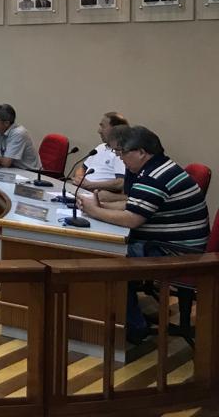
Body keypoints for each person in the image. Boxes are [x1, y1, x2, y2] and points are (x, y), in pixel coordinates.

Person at [78, 125, 210, 343]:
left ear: (141, 152)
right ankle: (128, 317)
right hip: (170, 243)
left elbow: (132, 219)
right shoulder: (157, 168)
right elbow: (134, 205)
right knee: (108, 249)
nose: (120, 159)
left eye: (122, 153)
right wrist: (101, 206)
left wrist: (95, 211)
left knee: (107, 256)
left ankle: (133, 326)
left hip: (176, 252)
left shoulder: (155, 176)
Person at [74, 112, 129, 193]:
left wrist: (90, 185)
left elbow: (120, 183)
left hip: (98, 194)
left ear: (115, 129)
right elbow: (82, 168)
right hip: (81, 190)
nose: (99, 131)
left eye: (103, 126)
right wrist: (79, 179)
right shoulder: (100, 147)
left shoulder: (121, 153)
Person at [0, 103, 40, 171]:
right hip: (11, 170)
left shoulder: (19, 133)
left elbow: (6, 163)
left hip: (29, 173)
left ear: (6, 123)